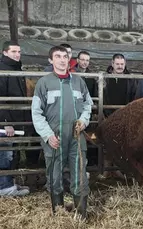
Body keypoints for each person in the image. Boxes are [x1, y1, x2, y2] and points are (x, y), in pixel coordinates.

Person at [31, 46, 93, 219]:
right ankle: (57, 212)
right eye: (57, 56)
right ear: (51, 60)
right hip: (54, 136)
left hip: (76, 135)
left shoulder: (78, 82)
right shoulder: (44, 83)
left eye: (64, 56)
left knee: (79, 172)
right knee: (55, 175)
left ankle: (81, 214)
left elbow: (88, 104)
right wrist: (47, 135)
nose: (62, 59)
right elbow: (36, 112)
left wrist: (83, 120)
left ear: (69, 59)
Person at [0, 41, 30, 196]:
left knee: (11, 153)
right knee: (5, 154)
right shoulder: (2, 70)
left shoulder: (15, 68)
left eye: (19, 51)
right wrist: (6, 123)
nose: (17, 54)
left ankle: (8, 183)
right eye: (13, 51)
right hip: (6, 122)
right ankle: (4, 187)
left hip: (15, 120)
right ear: (5, 53)